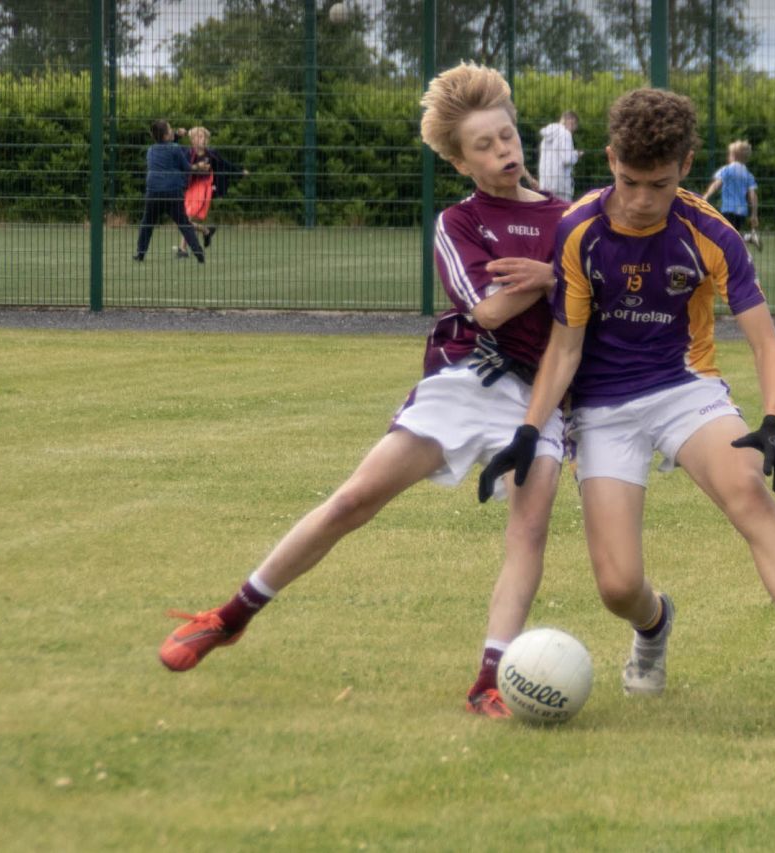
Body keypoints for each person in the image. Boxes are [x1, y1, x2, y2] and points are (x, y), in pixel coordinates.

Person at [158, 63, 570, 719]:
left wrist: (549, 273)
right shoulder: (459, 222)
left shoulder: (571, 218)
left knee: (529, 529)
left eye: (506, 135)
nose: (503, 151)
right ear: (462, 163)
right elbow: (489, 311)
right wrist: (555, 278)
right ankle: (231, 614)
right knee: (354, 499)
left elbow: (588, 293)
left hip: (540, 394)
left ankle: (488, 679)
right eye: (484, 146)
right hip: (469, 374)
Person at [478, 87, 775, 710]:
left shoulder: (710, 231)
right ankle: (654, 625)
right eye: (631, 181)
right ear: (610, 159)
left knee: (747, 486)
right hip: (602, 409)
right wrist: (530, 432)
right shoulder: (578, 229)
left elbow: (767, 345)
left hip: (684, 389)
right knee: (617, 586)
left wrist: (774, 422)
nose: (642, 201)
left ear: (687, 167)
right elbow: (564, 350)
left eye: (659, 185)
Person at [133, 119, 206, 264]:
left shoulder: (151, 150)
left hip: (153, 192)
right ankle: (199, 254)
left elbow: (166, 147)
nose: (173, 130)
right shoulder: (174, 148)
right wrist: (199, 166)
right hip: (172, 191)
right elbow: (187, 167)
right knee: (184, 223)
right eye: (170, 129)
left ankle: (140, 254)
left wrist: (177, 136)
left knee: (147, 223)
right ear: (166, 135)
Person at [176, 126, 249, 259]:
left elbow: (226, 165)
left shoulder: (211, 154)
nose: (201, 139)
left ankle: (182, 249)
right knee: (184, 218)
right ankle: (206, 231)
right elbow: (175, 154)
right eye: (198, 137)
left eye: (203, 137)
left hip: (203, 187)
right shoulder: (187, 153)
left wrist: (239, 172)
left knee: (187, 217)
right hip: (190, 188)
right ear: (192, 140)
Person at [703, 139, 760, 252]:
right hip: (742, 212)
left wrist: (706, 196)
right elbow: (753, 196)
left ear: (732, 155)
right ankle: (742, 251)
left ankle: (748, 239)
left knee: (725, 236)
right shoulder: (748, 174)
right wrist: (754, 214)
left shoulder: (726, 170)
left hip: (728, 209)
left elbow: (716, 184)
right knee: (732, 236)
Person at [536, 110, 581, 201]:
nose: (574, 129)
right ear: (571, 121)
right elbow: (567, 159)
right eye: (575, 125)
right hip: (561, 185)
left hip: (545, 182)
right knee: (564, 213)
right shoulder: (565, 134)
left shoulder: (547, 136)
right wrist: (576, 155)